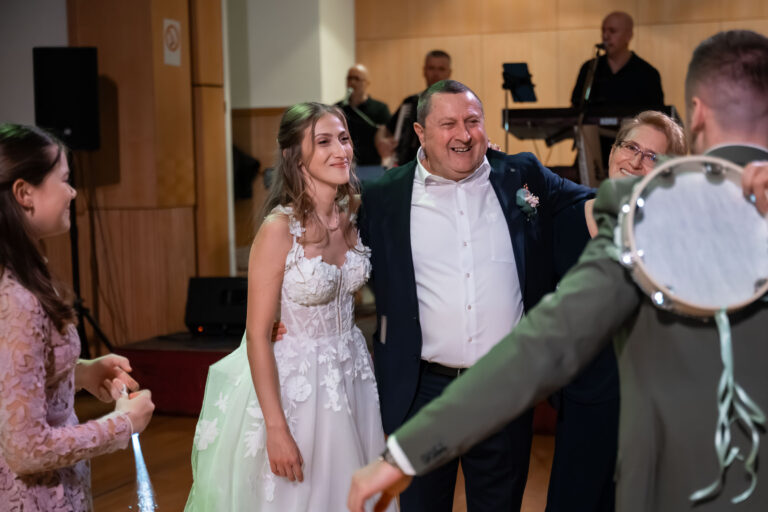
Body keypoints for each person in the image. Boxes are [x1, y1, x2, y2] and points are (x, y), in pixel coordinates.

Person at [348, 29, 768, 512]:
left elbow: (545, 345)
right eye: (631, 148)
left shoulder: (669, 224)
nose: (638, 162)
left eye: (472, 122)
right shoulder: (612, 222)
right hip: (618, 422)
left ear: (695, 121)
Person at [358, 79, 592, 511]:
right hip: (421, 391)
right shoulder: (383, 197)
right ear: (420, 133)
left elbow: (587, 204)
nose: (463, 135)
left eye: (472, 121)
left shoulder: (521, 175)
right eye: (448, 124)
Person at [186, 103, 393, 511]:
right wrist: (276, 429)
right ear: (294, 156)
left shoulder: (353, 213)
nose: (341, 150)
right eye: (324, 142)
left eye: (344, 139)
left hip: (351, 372)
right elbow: (257, 336)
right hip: (298, 384)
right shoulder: (279, 230)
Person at [0, 124, 155, 511]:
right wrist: (121, 425)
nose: (72, 192)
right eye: (64, 180)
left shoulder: (25, 273)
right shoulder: (17, 298)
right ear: (24, 193)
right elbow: (26, 449)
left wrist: (82, 373)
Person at [547, 111, 687, 512]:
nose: (637, 161)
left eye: (653, 157)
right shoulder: (565, 222)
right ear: (612, 152)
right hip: (580, 403)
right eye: (631, 147)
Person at [571, 11, 665, 168]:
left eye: (612, 31)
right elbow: (576, 107)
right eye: (603, 30)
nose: (606, 36)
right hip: (593, 148)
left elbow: (656, 118)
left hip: (635, 153)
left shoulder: (647, 73)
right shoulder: (590, 69)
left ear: (629, 36)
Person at [377, 50, 452, 168]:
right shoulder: (410, 102)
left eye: (441, 69)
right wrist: (381, 140)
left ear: (449, 72)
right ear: (424, 71)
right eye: (431, 68)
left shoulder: (458, 104)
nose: (436, 73)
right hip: (409, 169)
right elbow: (385, 129)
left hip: (446, 169)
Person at [336, 64, 391, 172]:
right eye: (349, 78)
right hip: (343, 166)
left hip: (371, 167)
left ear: (366, 83)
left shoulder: (380, 108)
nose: (352, 82)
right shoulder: (338, 109)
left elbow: (388, 135)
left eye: (356, 78)